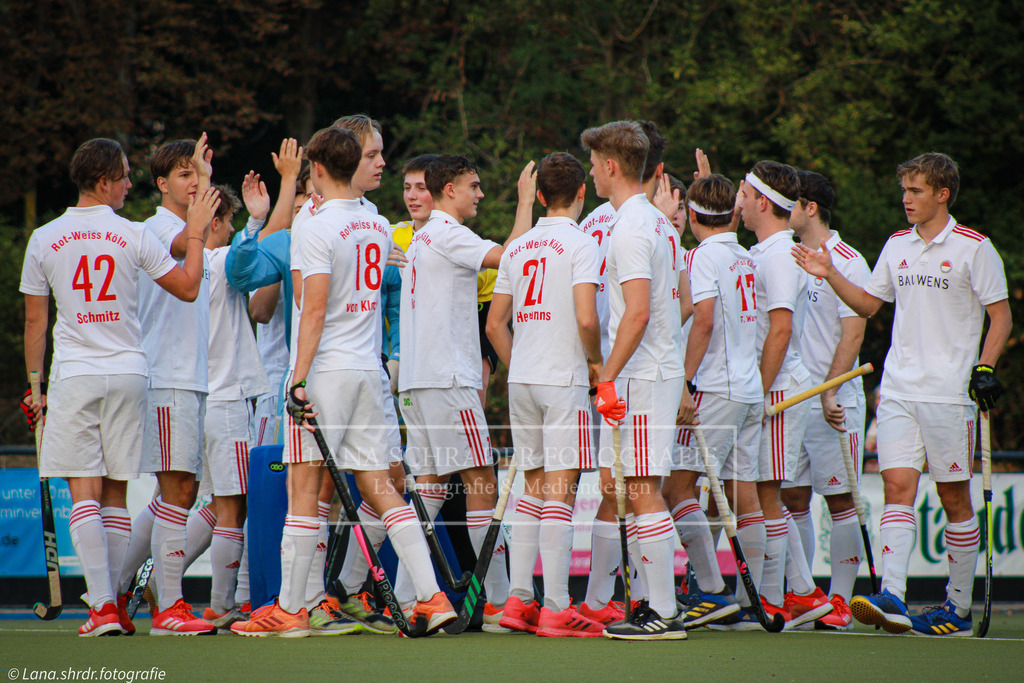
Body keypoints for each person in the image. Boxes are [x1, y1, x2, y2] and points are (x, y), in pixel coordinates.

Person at [233, 126, 456, 637]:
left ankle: (290, 610)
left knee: (303, 489)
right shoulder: (376, 224)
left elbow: (312, 311)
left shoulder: (314, 227)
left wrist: (299, 379)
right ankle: (432, 596)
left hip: (327, 371)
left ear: (314, 170)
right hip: (367, 372)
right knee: (381, 489)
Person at [794, 152, 1012, 636]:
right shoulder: (896, 245)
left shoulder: (976, 248)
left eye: (915, 191)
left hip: (950, 394)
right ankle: (893, 594)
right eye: (904, 190)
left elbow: (1002, 317)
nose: (905, 199)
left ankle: (956, 607)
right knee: (897, 489)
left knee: (955, 499)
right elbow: (870, 304)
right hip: (897, 389)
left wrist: (984, 368)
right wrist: (828, 273)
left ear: (942, 194)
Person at [20, 138, 218, 636]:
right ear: (104, 181)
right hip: (131, 372)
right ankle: (113, 605)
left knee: (83, 489)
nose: (131, 184)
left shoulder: (45, 237)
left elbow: (35, 322)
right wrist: (195, 235)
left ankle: (104, 606)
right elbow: (189, 286)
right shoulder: (133, 234)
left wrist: (34, 388)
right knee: (114, 492)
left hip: (77, 374)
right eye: (125, 176)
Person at [398, 154, 531, 629]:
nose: (478, 194)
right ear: (449, 189)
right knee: (482, 482)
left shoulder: (421, 236)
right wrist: (524, 203)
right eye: (473, 186)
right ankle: (496, 601)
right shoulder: (449, 233)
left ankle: (406, 596)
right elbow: (514, 254)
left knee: (430, 490)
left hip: (417, 383)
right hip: (449, 381)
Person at [486, 153, 605, 637]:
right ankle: (556, 605)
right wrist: (597, 365)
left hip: (524, 380)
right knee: (560, 493)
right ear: (582, 194)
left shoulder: (517, 247)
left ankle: (518, 600)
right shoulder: (583, 243)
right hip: (564, 380)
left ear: (538, 197)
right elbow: (585, 318)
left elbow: (495, 324)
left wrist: (525, 368)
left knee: (530, 490)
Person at [577, 121, 689, 625]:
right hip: (649, 371)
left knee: (641, 489)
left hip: (642, 374)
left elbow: (637, 313)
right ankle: (637, 603)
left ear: (611, 167)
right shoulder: (657, 222)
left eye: (595, 162)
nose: (592, 173)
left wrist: (607, 376)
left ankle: (662, 609)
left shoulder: (630, 226)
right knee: (625, 488)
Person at [117, 136, 220, 635]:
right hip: (167, 377)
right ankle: (170, 609)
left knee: (175, 491)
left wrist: (205, 178)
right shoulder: (158, 227)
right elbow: (185, 242)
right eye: (184, 175)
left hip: (187, 377)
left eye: (198, 174)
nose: (195, 183)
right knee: (178, 488)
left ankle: (110, 591)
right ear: (161, 184)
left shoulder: (190, 225)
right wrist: (200, 215)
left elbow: (201, 229)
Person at [738, 160, 833, 628]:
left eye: (741, 193)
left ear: (761, 202)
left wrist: (755, 392)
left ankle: (785, 596)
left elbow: (780, 329)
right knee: (761, 491)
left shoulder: (778, 254)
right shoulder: (762, 251)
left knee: (766, 493)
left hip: (778, 391)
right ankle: (796, 593)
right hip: (767, 389)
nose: (736, 201)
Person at [667, 174, 757, 629]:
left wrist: (682, 382)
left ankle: (714, 590)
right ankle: (772, 596)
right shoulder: (745, 255)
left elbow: (703, 321)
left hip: (716, 388)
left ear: (695, 216)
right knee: (746, 496)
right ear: (734, 214)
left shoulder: (702, 256)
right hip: (747, 388)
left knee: (675, 489)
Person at [783, 170, 870, 630]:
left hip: (834, 402)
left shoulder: (848, 260)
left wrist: (830, 390)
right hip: (793, 401)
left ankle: (840, 602)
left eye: (790, 202)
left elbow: (853, 334)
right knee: (792, 498)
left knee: (840, 502)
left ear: (808, 207)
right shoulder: (787, 255)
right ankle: (802, 596)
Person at [199, 184, 271, 628]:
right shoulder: (222, 261)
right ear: (216, 223)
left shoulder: (177, 267)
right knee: (232, 507)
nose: (229, 231)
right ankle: (221, 605)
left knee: (206, 504)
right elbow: (249, 254)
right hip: (226, 400)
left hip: (197, 397)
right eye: (227, 223)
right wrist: (260, 220)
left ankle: (137, 580)